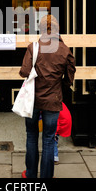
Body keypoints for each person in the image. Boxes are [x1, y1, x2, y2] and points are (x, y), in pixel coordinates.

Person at [19, 15, 76, 178]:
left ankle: (30, 174)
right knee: (49, 139)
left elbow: (23, 71)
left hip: (33, 100)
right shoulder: (65, 50)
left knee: (31, 136)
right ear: (57, 30)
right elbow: (70, 76)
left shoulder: (34, 47)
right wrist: (60, 87)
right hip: (53, 100)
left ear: (41, 29)